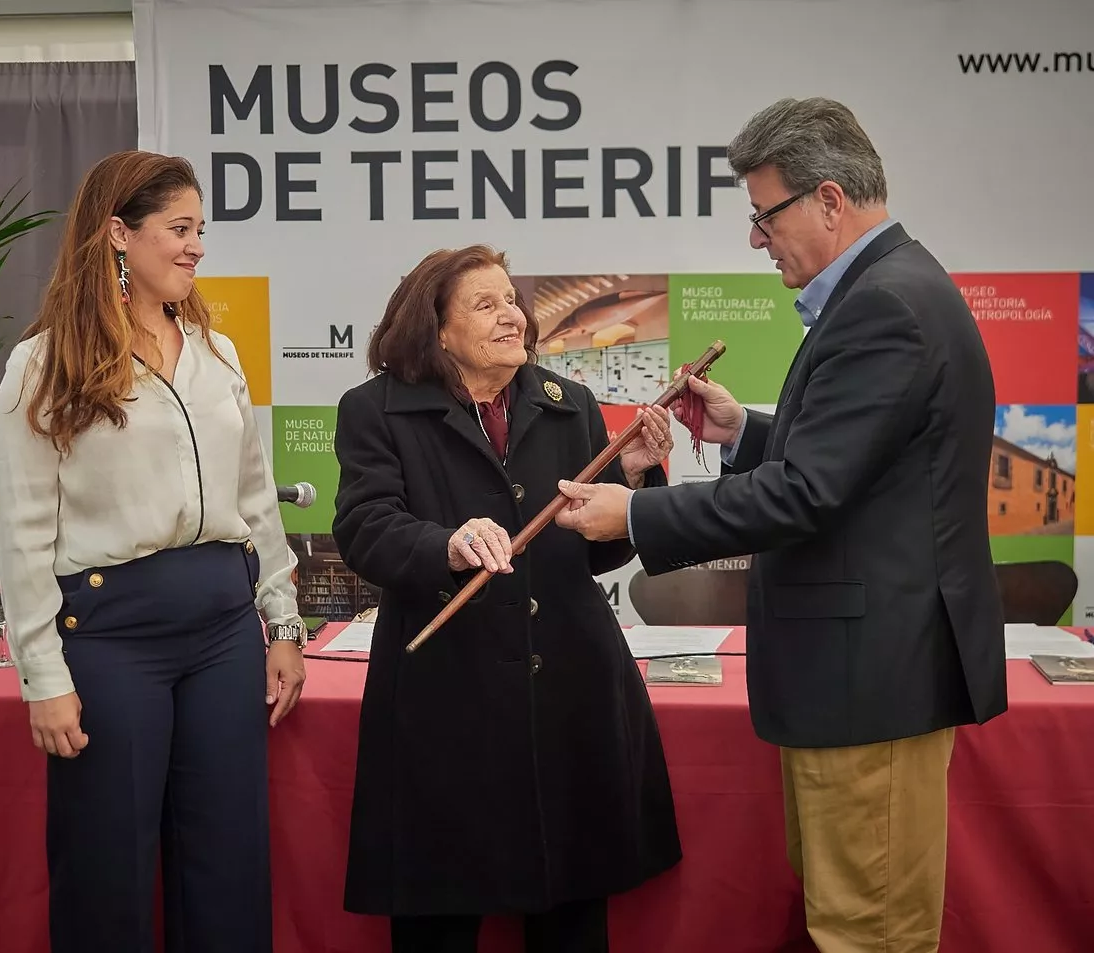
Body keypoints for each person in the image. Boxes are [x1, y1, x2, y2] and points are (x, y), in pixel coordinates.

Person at [554, 97, 1007, 953]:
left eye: (764, 215)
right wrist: (741, 434)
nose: (755, 239)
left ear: (828, 200)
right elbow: (859, 468)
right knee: (847, 917)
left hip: (869, 682)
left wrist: (635, 512)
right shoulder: (889, 289)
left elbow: (806, 493)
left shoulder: (884, 305)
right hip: (860, 677)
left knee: (866, 931)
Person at [0, 150, 306, 953]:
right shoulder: (43, 364)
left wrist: (283, 623)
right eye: (179, 228)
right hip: (109, 638)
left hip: (224, 630)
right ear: (117, 234)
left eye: (200, 229)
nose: (197, 246)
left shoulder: (217, 354)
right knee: (107, 867)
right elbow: (22, 532)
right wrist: (42, 676)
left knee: (228, 861)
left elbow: (254, 498)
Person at [331, 245, 682, 953]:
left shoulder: (568, 402)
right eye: (485, 304)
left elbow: (596, 552)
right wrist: (446, 544)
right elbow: (365, 527)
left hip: (569, 688)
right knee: (438, 912)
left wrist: (633, 481)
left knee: (571, 914)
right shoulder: (374, 409)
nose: (511, 316)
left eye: (511, 301)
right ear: (437, 329)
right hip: (445, 695)